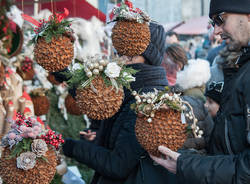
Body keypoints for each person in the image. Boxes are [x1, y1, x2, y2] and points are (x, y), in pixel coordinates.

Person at [62, 22, 177, 184]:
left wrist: (68, 146)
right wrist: (62, 71)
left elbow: (117, 164)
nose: (120, 57)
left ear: (146, 55)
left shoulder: (147, 100)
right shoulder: (129, 88)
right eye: (120, 50)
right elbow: (97, 100)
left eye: (129, 52)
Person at [151, 0, 250, 183]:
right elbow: (229, 144)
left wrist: (185, 164)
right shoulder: (237, 68)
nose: (216, 31)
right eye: (213, 23)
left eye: (221, 19)